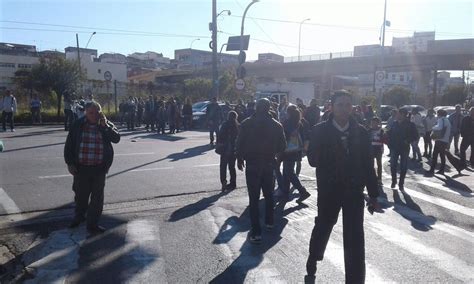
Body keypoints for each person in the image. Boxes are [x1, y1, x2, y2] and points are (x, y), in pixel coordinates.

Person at [305, 90, 380, 283]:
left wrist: (373, 194)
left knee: (355, 237)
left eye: (348, 105)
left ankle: (355, 279)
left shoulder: (361, 132)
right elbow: (312, 160)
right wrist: (333, 150)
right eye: (340, 105)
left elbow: (367, 164)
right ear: (331, 106)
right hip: (329, 190)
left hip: (354, 191)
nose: (345, 109)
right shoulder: (319, 130)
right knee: (323, 226)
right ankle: (313, 259)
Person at [64, 101, 120, 234]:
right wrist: (70, 163)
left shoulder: (105, 124)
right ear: (86, 113)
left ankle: (93, 224)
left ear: (100, 112)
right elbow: (69, 145)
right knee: (80, 196)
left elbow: (116, 138)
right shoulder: (78, 125)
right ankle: (79, 217)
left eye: (96, 112)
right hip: (81, 168)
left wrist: (105, 127)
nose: (94, 115)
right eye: (91, 113)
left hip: (99, 168)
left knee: (97, 198)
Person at [236, 98, 286, 244]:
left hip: (252, 163)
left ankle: (256, 232)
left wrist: (239, 158)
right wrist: (275, 156)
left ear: (257, 107)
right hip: (269, 163)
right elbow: (282, 146)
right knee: (269, 194)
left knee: (254, 198)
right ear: (269, 108)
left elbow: (239, 143)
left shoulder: (247, 123)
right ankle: (269, 222)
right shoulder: (277, 125)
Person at [276, 105, 311, 202]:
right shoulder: (300, 123)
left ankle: (303, 191)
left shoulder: (286, 123)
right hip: (296, 150)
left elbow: (282, 138)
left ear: (289, 113)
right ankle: (285, 194)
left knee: (289, 172)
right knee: (287, 172)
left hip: (287, 151)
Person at [387, 108, 418, 190]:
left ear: (403, 114)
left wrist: (407, 141)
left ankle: (401, 183)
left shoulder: (410, 124)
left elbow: (415, 136)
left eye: (398, 114)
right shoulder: (394, 123)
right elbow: (389, 133)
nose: (396, 115)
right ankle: (394, 181)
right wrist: (388, 142)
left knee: (403, 166)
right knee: (393, 165)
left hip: (404, 148)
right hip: (394, 147)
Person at [216, 111, 240, 191]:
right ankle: (233, 183)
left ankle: (223, 181)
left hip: (224, 148)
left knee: (223, 166)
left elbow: (220, 136)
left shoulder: (224, 124)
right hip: (233, 149)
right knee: (232, 167)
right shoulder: (237, 125)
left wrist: (219, 143)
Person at [427, 109, 451, 175]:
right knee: (442, 155)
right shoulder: (447, 120)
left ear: (439, 114)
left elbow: (439, 128)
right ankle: (441, 170)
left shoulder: (441, 119)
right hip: (445, 140)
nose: (437, 115)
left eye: (437, 114)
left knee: (435, 155)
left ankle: (432, 170)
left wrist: (433, 127)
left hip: (440, 140)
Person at [369, 117, 384, 183]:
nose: (373, 124)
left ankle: (379, 178)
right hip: (371, 148)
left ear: (378, 123)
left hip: (378, 148)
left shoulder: (381, 130)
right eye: (372, 123)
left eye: (375, 123)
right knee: (371, 164)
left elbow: (384, 139)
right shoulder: (369, 130)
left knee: (379, 164)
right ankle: (373, 177)